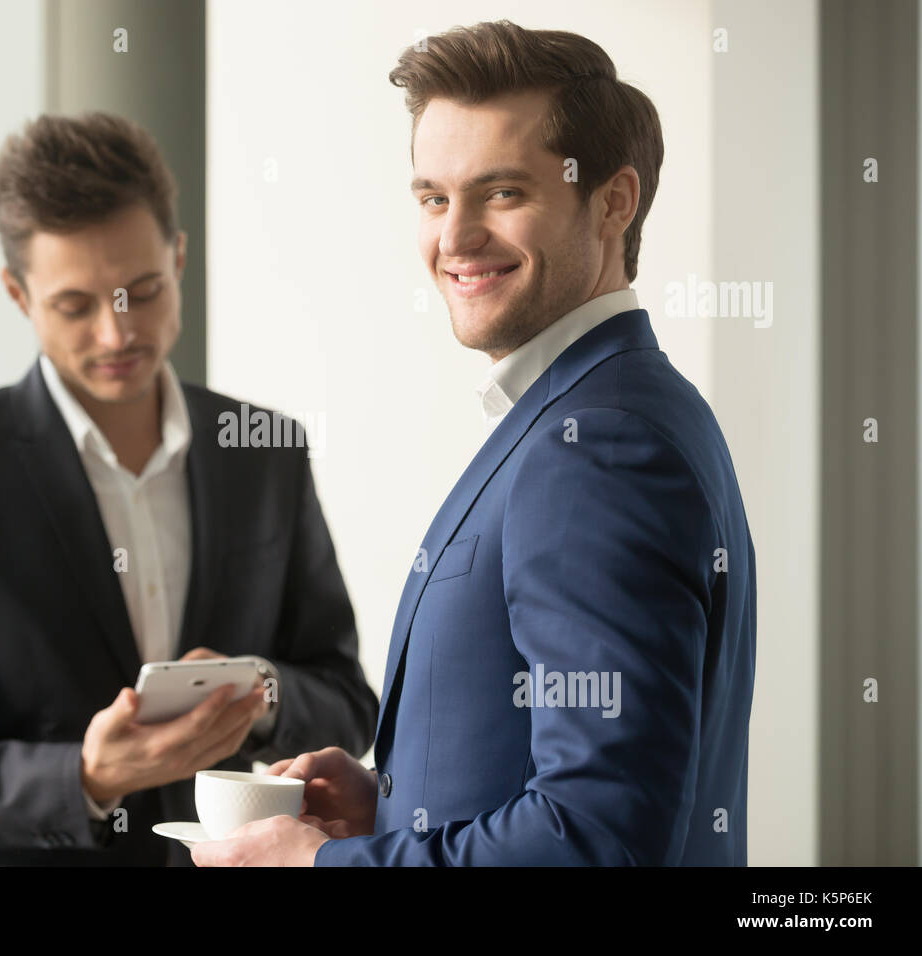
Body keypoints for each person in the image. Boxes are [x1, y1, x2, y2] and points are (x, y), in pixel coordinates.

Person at [193, 19, 756, 867]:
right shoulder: (615, 407)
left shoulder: (595, 444)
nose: (453, 238)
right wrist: (391, 804)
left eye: (501, 193)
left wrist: (313, 866)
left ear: (614, 200)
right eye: (432, 197)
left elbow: (594, 839)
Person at [0, 112, 378, 866]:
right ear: (18, 294)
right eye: (75, 305)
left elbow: (348, 702)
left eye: (142, 290)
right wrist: (85, 777)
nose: (117, 333)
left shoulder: (265, 450)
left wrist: (260, 695)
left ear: (180, 258)